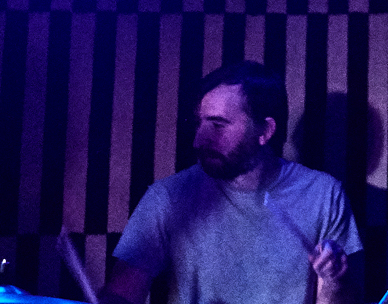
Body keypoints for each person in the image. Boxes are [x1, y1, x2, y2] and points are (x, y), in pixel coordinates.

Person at [101, 61, 363, 304]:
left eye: (218, 125)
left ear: (265, 131)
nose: (199, 140)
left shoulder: (323, 194)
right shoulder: (169, 197)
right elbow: (122, 294)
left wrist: (334, 281)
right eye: (199, 124)